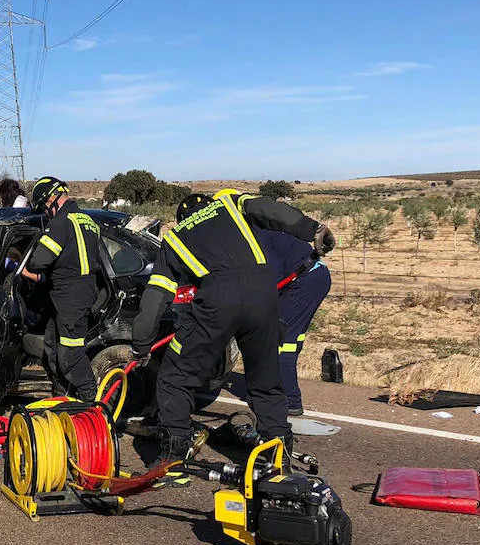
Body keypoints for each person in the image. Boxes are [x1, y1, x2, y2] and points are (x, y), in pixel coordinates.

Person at [130, 189, 336, 464]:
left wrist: (141, 344)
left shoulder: (175, 239)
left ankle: (173, 460)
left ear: (182, 217)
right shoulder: (230, 205)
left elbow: (156, 297)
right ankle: (278, 459)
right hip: (263, 293)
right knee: (265, 380)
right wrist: (313, 229)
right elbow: (270, 210)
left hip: (216, 300)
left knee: (175, 378)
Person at [21, 176, 102, 399]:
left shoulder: (61, 223)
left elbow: (39, 261)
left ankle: (89, 403)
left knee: (70, 357)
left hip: (70, 299)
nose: (47, 215)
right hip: (79, 293)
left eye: (45, 210)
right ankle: (62, 397)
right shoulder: (87, 220)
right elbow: (72, 260)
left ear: (50, 200)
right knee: (53, 347)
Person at [256, 227, 332, 417]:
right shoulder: (267, 230)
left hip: (304, 281)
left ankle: (290, 401)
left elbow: (271, 278)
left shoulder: (259, 239)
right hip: (315, 276)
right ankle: (280, 388)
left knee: (281, 342)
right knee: (291, 337)